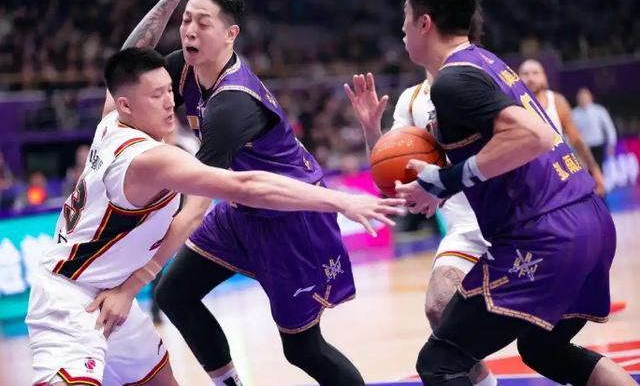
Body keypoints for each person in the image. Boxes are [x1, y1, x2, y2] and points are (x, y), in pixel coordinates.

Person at [26, 47, 402, 386]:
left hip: (111, 294)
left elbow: (130, 52)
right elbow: (247, 185)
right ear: (126, 104)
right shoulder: (152, 158)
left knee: (290, 348)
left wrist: (168, 1)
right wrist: (340, 201)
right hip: (68, 301)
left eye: (169, 91)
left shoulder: (110, 122)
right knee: (177, 294)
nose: (169, 103)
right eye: (156, 96)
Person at [97, 0, 375, 384]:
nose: (189, 29)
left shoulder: (233, 104)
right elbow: (126, 70)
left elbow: (197, 204)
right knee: (175, 292)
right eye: (187, 20)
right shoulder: (182, 68)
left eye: (202, 23)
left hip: (290, 217)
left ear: (231, 35)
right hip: (243, 207)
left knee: (302, 348)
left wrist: (133, 283)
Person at [392, 0, 634, 385]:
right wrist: (438, 185)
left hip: (546, 236)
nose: (402, 30)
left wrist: (445, 181)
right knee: (544, 349)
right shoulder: (488, 61)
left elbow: (535, 136)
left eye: (406, 20)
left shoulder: (452, 82)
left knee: (440, 361)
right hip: (590, 221)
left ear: (425, 23)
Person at [344, 71, 495, 386]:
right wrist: (372, 131)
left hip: (506, 215)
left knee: (541, 340)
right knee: (439, 307)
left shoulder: (477, 76)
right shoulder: (411, 100)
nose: (403, 41)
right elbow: (391, 170)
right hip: (464, 226)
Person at [518, 59, 606, 197]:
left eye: (535, 73)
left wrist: (594, 169)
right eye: (526, 73)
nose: (531, 78)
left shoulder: (557, 101)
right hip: (530, 177)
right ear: (517, 78)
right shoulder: (513, 105)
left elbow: (576, 139)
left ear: (544, 76)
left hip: (560, 172)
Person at [572, 87, 617, 169]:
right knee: (585, 172)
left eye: (585, 97)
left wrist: (611, 143)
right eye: (581, 97)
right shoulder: (574, 114)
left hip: (597, 145)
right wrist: (573, 150)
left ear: (590, 97)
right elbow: (571, 133)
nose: (583, 99)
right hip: (583, 148)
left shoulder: (599, 110)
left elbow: (609, 127)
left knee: (598, 169)